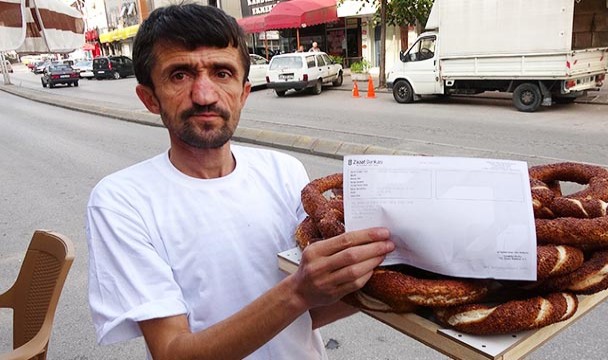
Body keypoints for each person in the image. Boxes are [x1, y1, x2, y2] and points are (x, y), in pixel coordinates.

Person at [85, 4, 394, 360]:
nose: (204, 95)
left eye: (222, 73)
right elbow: (171, 351)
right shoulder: (121, 201)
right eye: (180, 75)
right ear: (150, 98)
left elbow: (305, 315)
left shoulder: (284, 171)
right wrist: (298, 291)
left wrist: (384, 268)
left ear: (244, 92)